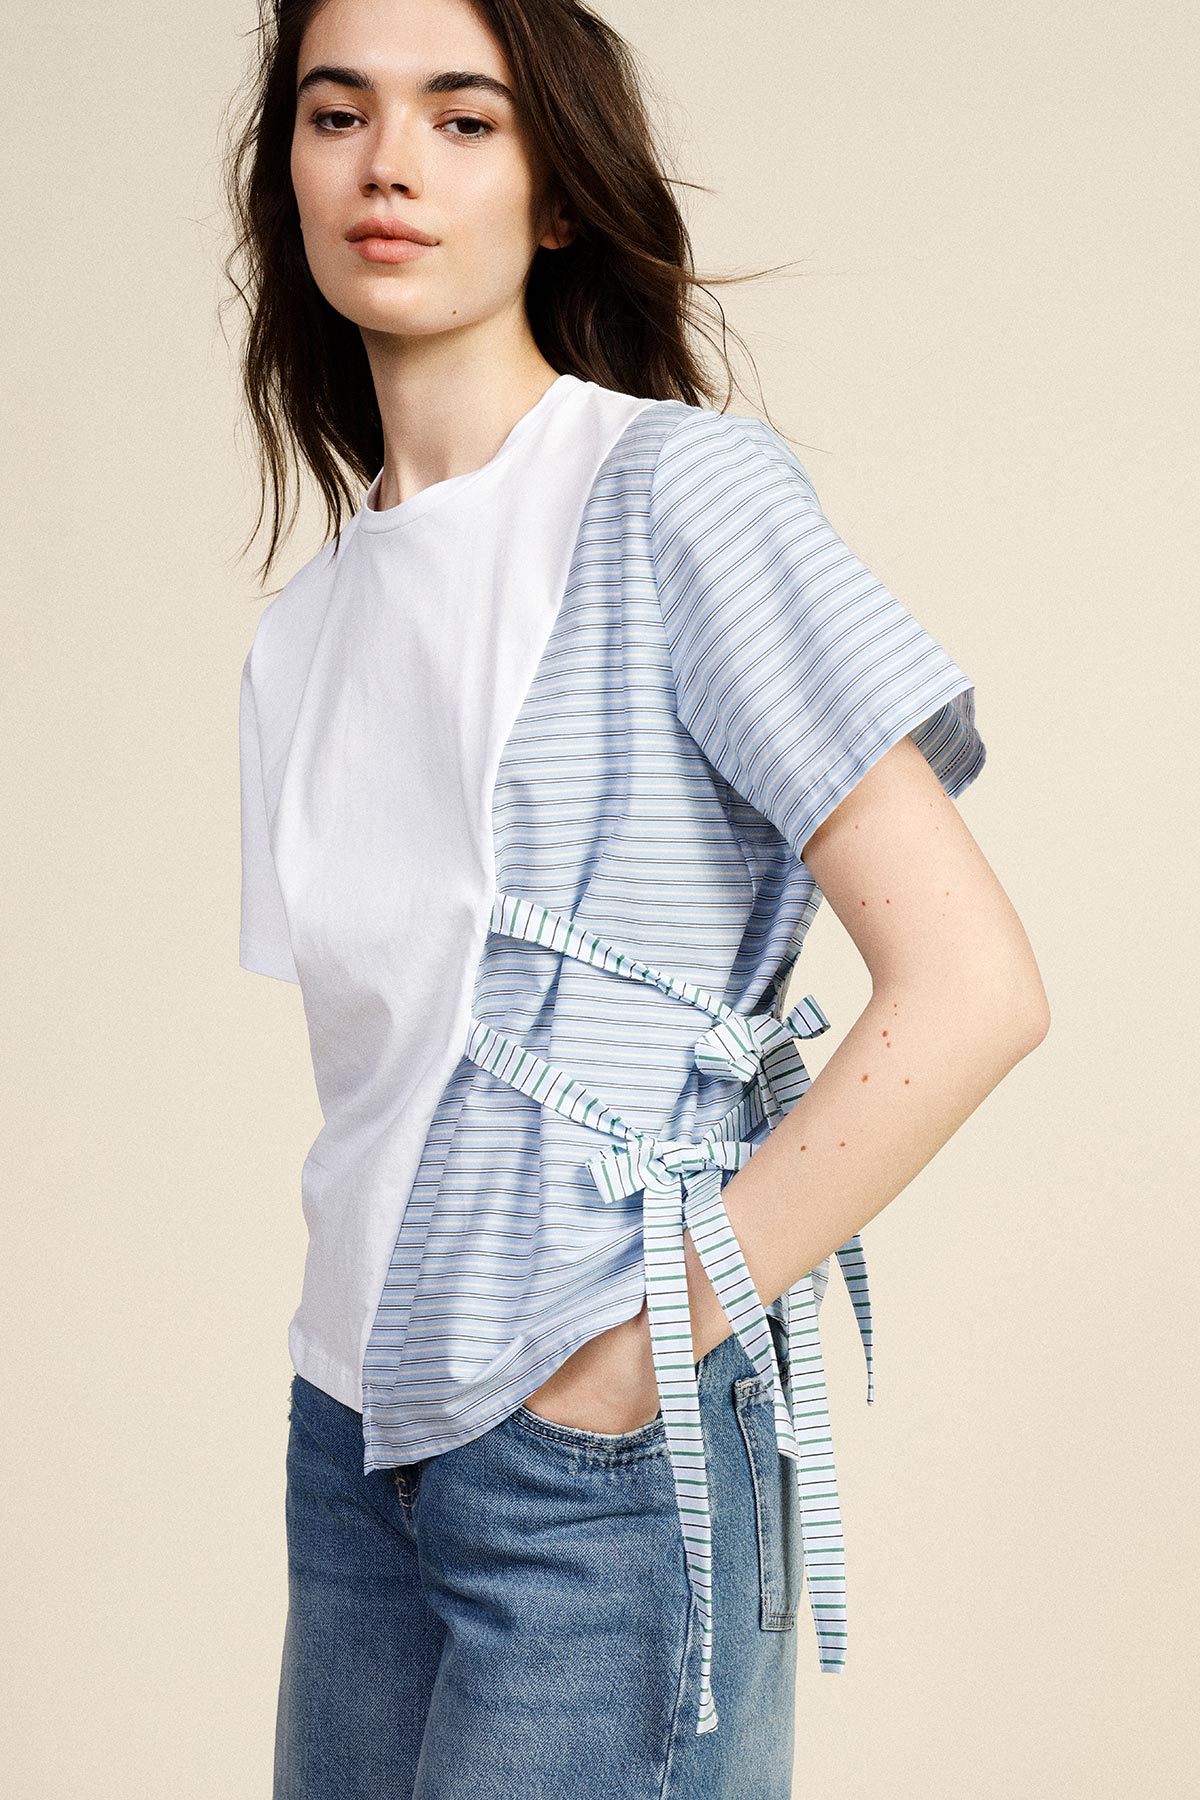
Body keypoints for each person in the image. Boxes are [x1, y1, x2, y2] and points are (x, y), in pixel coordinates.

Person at [223, 0, 1050, 1794]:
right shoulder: (310, 630)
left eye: (463, 120)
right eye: (335, 113)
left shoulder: (674, 495)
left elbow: (973, 982)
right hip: (345, 1439)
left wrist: (631, 1351)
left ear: (555, 189)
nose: (387, 164)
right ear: (286, 163)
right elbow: (389, 1087)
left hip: (587, 1450)